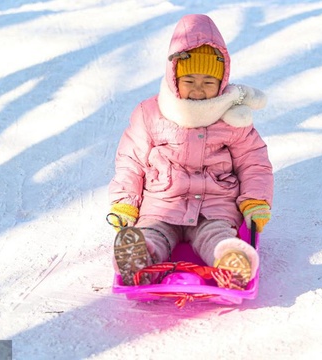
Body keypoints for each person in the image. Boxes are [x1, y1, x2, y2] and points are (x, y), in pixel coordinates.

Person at [107, 14, 273, 290]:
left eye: (208, 82)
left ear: (222, 82)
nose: (198, 90)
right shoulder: (150, 113)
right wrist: (125, 202)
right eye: (190, 80)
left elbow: (254, 162)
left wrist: (255, 201)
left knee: (216, 236)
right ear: (174, 77)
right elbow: (130, 161)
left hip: (214, 205)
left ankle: (231, 261)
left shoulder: (233, 118)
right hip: (162, 204)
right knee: (153, 234)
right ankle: (140, 262)